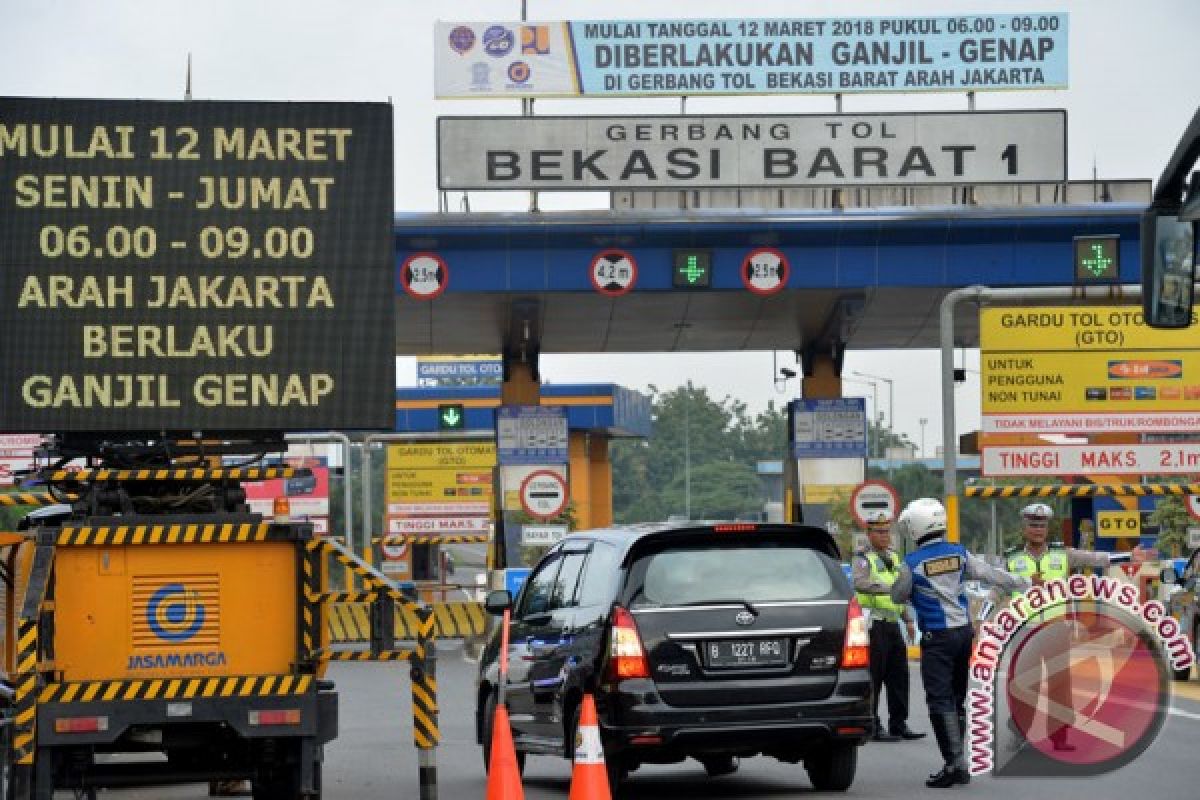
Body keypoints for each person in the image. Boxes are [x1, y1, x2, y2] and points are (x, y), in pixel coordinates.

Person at [891, 497, 1031, 788]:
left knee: (939, 700)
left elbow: (897, 596)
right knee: (957, 699)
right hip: (963, 633)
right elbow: (990, 574)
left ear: (916, 527)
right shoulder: (959, 553)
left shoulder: (911, 563)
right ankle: (957, 761)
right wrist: (1023, 582)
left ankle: (955, 764)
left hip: (937, 638)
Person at [1003, 502, 1152, 752]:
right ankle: (1020, 732)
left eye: (1042, 525)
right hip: (1024, 630)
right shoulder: (1011, 557)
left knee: (1060, 686)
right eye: (1032, 525)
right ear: (1024, 527)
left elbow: (1097, 558)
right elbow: (997, 590)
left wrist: (1129, 557)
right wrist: (981, 622)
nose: (1037, 530)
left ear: (1047, 528)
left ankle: (1059, 736)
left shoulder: (1064, 555)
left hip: (1057, 629)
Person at [852, 511, 925, 742]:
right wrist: (888, 589)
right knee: (874, 676)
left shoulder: (895, 557)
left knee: (899, 676)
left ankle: (899, 723)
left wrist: (908, 619)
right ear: (869, 533)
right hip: (873, 625)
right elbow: (860, 583)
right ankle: (872, 723)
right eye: (879, 531)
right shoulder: (863, 558)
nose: (885, 536)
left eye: (887, 531)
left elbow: (901, 592)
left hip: (893, 624)